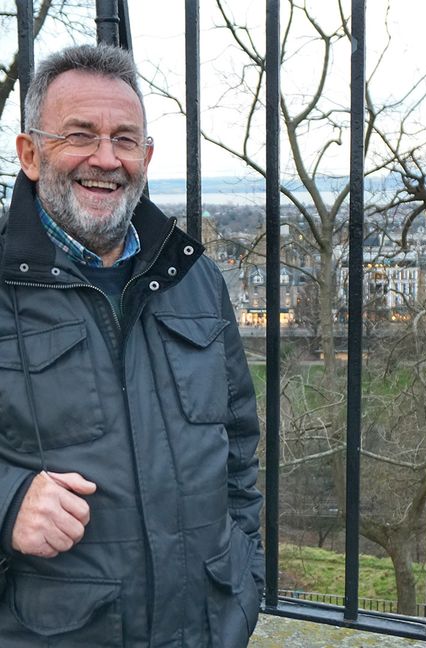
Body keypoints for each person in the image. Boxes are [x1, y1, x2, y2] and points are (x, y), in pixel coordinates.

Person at [0, 44, 263, 647]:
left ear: (145, 157)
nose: (105, 158)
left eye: (125, 139)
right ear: (31, 154)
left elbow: (239, 451)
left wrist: (243, 589)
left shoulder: (196, 279)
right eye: (80, 135)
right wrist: (8, 501)